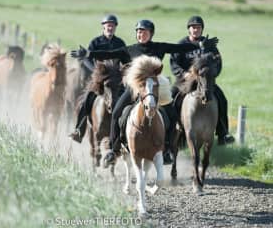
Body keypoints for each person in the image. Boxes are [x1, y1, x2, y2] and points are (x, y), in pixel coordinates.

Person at [71, 19, 219, 165]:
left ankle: (166, 149)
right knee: (116, 113)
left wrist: (199, 44)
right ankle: (114, 149)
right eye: (139, 32)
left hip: (156, 88)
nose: (141, 34)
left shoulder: (158, 47)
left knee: (173, 115)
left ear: (151, 34)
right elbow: (108, 53)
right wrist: (89, 53)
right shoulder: (128, 50)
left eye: (144, 32)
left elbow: (178, 48)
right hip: (135, 88)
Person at [170, 15, 235, 145]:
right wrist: (184, 74)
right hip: (186, 81)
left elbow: (218, 63)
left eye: (198, 27)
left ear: (202, 29)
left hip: (205, 81)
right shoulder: (181, 44)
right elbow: (174, 63)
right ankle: (171, 131)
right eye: (193, 27)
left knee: (222, 99)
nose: (196, 30)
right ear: (189, 29)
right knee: (171, 98)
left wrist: (211, 75)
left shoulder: (209, 45)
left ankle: (223, 133)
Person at [69, 14, 126, 143]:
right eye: (108, 25)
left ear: (115, 27)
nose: (110, 27)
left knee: (129, 100)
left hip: (116, 81)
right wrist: (96, 71)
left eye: (112, 25)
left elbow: (125, 61)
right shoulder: (95, 42)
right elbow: (86, 60)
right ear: (103, 26)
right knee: (85, 101)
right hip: (99, 80)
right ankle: (79, 130)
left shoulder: (120, 43)